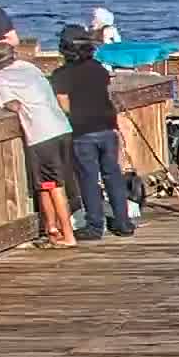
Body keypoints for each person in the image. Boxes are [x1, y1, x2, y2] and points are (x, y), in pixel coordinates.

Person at [0, 42, 77, 248]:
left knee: (54, 186)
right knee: (45, 185)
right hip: (62, 127)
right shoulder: (30, 67)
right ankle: (52, 229)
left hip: (41, 134)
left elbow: (14, 105)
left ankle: (68, 235)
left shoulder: (0, 78)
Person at [51, 25, 134, 240]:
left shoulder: (61, 75)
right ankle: (123, 223)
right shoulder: (99, 69)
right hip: (107, 127)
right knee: (112, 175)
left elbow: (64, 105)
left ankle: (95, 226)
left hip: (82, 131)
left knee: (88, 178)